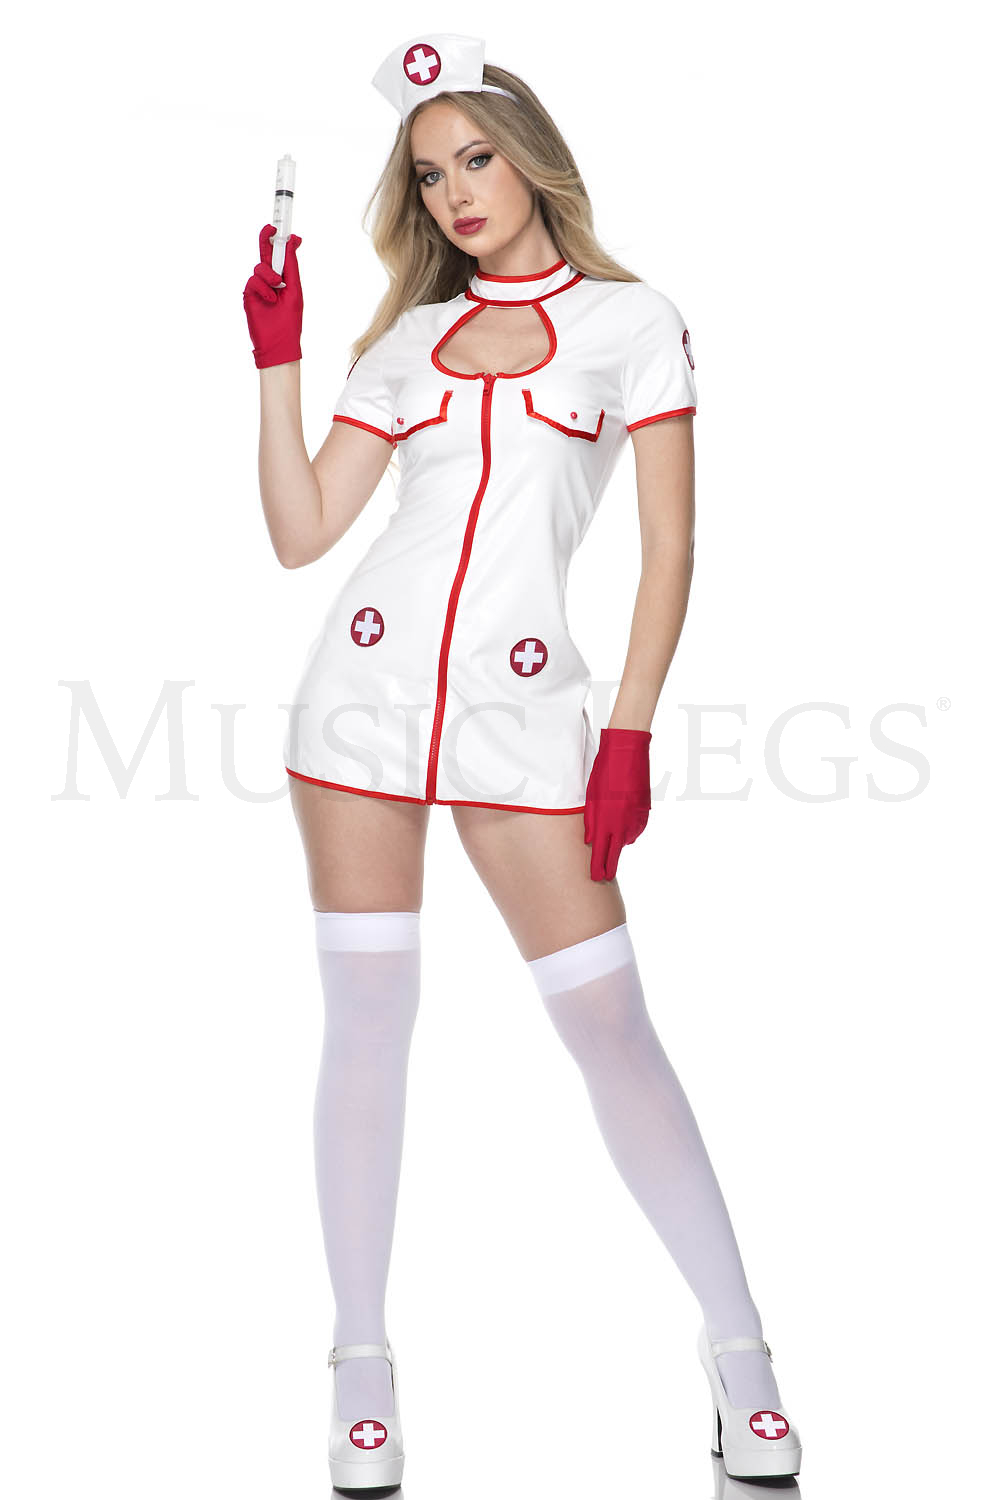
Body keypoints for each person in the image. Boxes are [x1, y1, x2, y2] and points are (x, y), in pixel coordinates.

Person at [243, 31, 802, 1489]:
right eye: (430, 177)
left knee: (610, 1025)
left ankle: (741, 1349)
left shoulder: (634, 323)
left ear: (532, 158)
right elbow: (304, 535)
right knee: (369, 1021)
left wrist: (629, 733)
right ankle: (360, 1366)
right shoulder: (404, 347)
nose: (456, 194)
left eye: (476, 158)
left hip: (527, 718)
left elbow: (671, 545)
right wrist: (277, 358)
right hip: (358, 709)